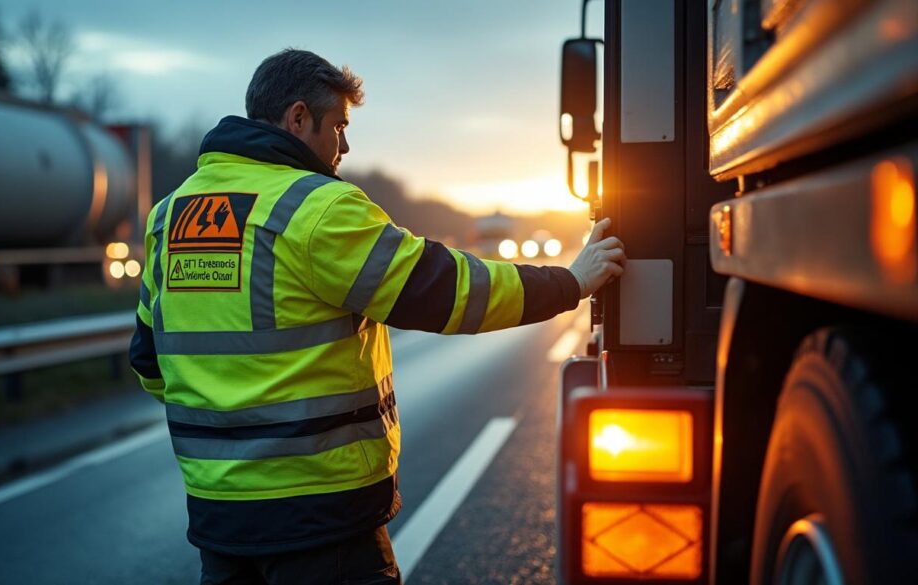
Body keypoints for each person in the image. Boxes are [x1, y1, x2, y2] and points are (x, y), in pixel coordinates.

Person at [128, 48, 626, 585]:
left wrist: (231, 413)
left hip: (217, 519)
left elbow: (149, 362)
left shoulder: (170, 216)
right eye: (338, 126)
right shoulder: (315, 208)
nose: (344, 144)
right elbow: (445, 289)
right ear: (298, 118)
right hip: (321, 517)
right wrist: (570, 282)